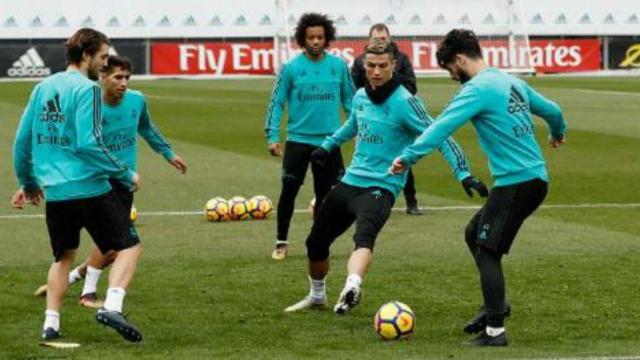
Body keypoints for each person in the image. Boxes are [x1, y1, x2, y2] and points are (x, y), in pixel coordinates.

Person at [390, 29, 567, 347]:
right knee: (474, 233)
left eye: (449, 69)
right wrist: (557, 132)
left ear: (459, 59)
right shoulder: (510, 80)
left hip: (517, 182)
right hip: (532, 179)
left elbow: (441, 126)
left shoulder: (476, 89)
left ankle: (496, 331)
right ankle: (495, 305)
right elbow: (553, 110)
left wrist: (407, 156)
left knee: (487, 249)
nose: (451, 76)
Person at [284, 39, 486, 315]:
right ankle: (317, 296)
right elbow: (352, 125)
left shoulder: (405, 102)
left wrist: (463, 172)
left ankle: (352, 285)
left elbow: (439, 134)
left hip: (382, 186)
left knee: (363, 237)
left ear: (394, 66)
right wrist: (327, 146)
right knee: (315, 242)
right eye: (371, 65)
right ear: (364, 66)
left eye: (382, 66)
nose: (376, 71)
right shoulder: (360, 96)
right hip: (351, 181)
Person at [11, 28, 144, 342]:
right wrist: (126, 174)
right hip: (90, 189)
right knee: (129, 246)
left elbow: (22, 141)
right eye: (101, 57)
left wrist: (28, 182)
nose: (103, 64)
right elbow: (89, 143)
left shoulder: (42, 87)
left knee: (63, 257)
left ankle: (51, 323)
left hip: (56, 193)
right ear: (85, 55)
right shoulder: (90, 90)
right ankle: (112, 305)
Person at [31, 55, 187, 308]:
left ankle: (69, 278)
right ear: (102, 77)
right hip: (95, 180)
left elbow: (147, 128)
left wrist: (168, 153)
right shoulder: (89, 105)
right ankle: (88, 293)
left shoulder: (137, 100)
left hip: (124, 183)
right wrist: (34, 179)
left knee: (116, 246)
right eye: (117, 77)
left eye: (127, 77)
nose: (124, 83)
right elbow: (64, 144)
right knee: (118, 244)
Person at [264, 12, 354, 260]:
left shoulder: (338, 67)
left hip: (329, 142)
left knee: (327, 196)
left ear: (327, 39)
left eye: (320, 37)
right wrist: (272, 136)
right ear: (302, 40)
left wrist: (361, 129)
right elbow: (277, 103)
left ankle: (317, 242)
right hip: (298, 142)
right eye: (311, 37)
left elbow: (351, 101)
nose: (315, 41)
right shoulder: (291, 68)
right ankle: (281, 241)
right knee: (289, 192)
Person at [351, 23, 422, 215]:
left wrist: (390, 91)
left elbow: (411, 86)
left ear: (389, 39)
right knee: (366, 159)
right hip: (371, 120)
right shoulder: (359, 62)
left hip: (394, 117)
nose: (379, 41)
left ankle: (411, 202)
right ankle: (365, 199)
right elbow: (355, 89)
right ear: (369, 40)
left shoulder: (402, 59)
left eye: (383, 38)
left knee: (401, 160)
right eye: (375, 38)